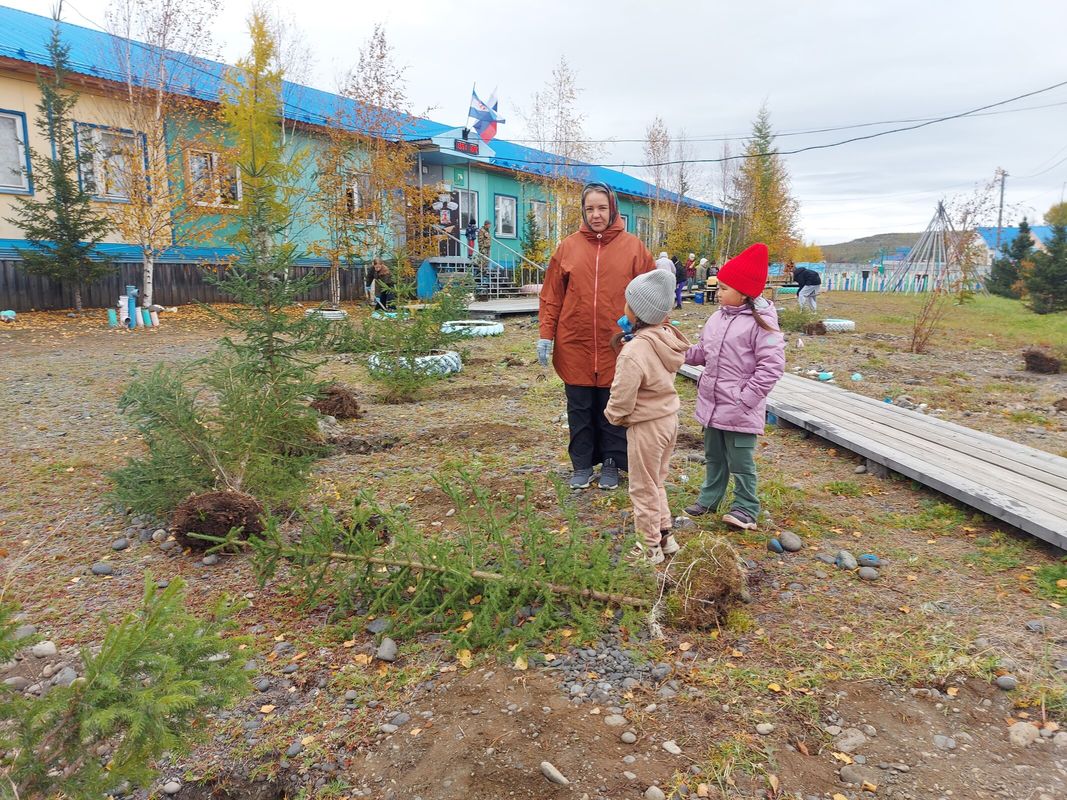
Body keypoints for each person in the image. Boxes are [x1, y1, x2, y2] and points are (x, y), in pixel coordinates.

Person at [538, 182, 656, 490]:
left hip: (618, 344)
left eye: (602, 208)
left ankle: (612, 463)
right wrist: (546, 334)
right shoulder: (568, 248)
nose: (596, 215)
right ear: (583, 211)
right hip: (574, 343)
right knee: (579, 408)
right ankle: (582, 464)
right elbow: (552, 296)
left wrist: (649, 335)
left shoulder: (634, 248)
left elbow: (653, 296)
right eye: (590, 209)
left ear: (613, 209)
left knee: (614, 406)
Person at [682, 243, 785, 531]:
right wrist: (678, 351)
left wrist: (746, 399)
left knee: (741, 461)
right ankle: (709, 499)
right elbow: (703, 352)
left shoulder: (762, 324)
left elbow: (772, 367)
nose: (718, 292)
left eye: (724, 288)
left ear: (744, 292)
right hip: (712, 405)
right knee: (714, 456)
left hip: (740, 409)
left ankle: (746, 508)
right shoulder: (717, 317)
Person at [604, 269, 691, 564]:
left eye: (627, 302)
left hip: (646, 426)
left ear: (636, 311)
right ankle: (665, 536)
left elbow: (623, 393)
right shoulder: (664, 339)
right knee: (657, 481)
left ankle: (649, 547)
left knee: (642, 487)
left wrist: (614, 416)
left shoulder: (635, 351)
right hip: (668, 420)